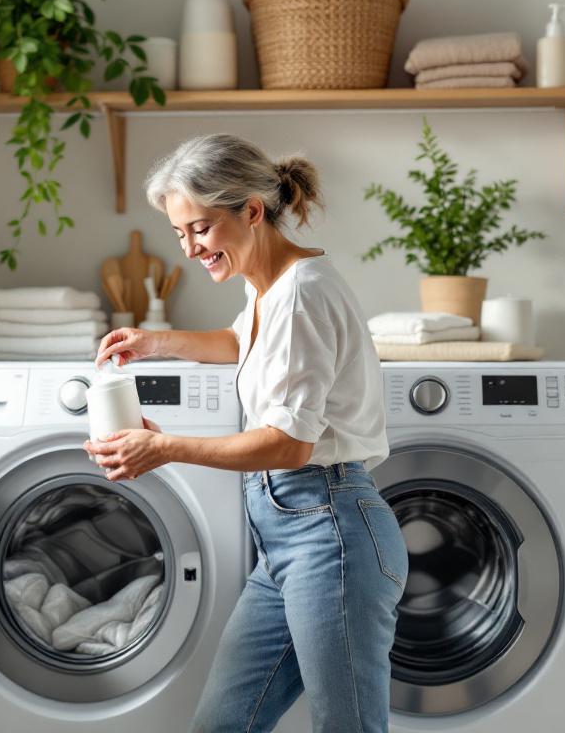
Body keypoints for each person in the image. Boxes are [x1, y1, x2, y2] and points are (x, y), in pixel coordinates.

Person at [83, 134, 407, 732]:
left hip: (329, 533)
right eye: (180, 234)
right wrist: (154, 342)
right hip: (288, 537)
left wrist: (164, 448)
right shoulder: (269, 287)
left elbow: (288, 445)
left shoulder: (303, 296)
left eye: (200, 229)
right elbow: (243, 343)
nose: (190, 248)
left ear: (251, 211)